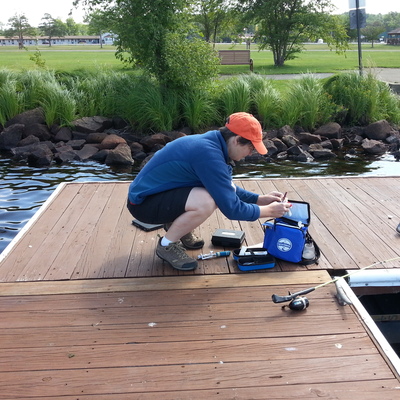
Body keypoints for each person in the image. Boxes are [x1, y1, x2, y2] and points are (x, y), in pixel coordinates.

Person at [127, 112, 291, 271]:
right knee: (206, 201)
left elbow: (226, 188)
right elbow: (232, 209)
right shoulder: (208, 154)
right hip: (143, 204)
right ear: (236, 140)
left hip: (159, 194)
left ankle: (179, 228)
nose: (250, 153)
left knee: (211, 193)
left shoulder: (214, 143)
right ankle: (166, 245)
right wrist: (269, 211)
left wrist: (260, 199)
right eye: (251, 148)